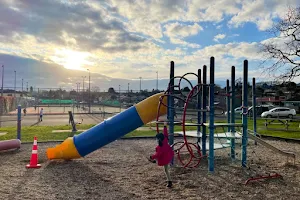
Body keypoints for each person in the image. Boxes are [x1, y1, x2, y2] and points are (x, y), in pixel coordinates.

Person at [149, 122, 174, 188]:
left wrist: (152, 157)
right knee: (166, 169)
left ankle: (169, 181)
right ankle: (169, 181)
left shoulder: (160, 147)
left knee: (166, 170)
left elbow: (158, 154)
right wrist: (165, 126)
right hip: (168, 155)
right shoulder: (165, 140)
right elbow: (165, 134)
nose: (156, 140)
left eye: (156, 139)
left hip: (164, 158)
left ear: (159, 139)